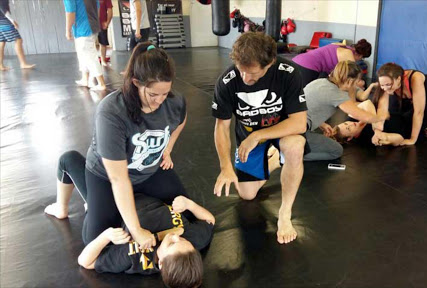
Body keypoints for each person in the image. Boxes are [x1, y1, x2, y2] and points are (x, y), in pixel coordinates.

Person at [61, 43, 186, 250]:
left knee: (186, 212)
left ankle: (125, 202)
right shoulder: (111, 112)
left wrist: (168, 149)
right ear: (136, 82)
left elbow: (181, 120)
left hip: (147, 170)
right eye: (153, 95)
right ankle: (71, 163)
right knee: (95, 241)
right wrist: (136, 230)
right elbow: (118, 179)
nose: (160, 101)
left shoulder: (174, 101)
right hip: (107, 176)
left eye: (165, 94)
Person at [45, 150, 214, 288]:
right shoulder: (191, 244)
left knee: (68, 159)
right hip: (146, 190)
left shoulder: (135, 256)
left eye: (172, 243)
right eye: (183, 241)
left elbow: (85, 262)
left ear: (161, 263)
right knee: (148, 155)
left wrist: (107, 236)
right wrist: (190, 205)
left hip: (114, 202)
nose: (176, 236)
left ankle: (62, 208)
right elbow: (209, 221)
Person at [212, 32, 307, 244]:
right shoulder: (227, 82)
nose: (246, 78)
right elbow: (222, 126)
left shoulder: (288, 73)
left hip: (281, 132)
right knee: (247, 195)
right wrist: (225, 166)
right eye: (241, 71)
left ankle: (285, 212)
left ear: (270, 63)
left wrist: (258, 135)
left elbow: (299, 123)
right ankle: (274, 161)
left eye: (253, 73)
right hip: (248, 136)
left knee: (295, 147)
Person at [303, 61, 385, 161]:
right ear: (350, 81)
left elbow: (307, 107)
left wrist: (322, 124)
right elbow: (364, 116)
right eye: (356, 82)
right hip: (298, 130)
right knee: (336, 151)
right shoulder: (337, 94)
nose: (356, 85)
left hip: (289, 123)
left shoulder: (319, 82)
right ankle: (296, 156)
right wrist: (382, 116)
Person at [63, 0, 107, 90]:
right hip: (91, 26)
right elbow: (98, 8)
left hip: (83, 28)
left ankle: (101, 83)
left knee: (90, 55)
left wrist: (67, 30)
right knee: (82, 54)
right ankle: (85, 79)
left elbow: (70, 12)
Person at [292, 39, 372, 87]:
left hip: (296, 60)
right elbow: (350, 80)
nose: (359, 60)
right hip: (308, 66)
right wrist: (362, 83)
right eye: (361, 58)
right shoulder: (348, 55)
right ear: (360, 55)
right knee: (303, 97)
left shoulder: (340, 45)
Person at [0, 0, 35, 70]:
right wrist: (12, 21)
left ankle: (0, 65)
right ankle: (23, 64)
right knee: (18, 40)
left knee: (1, 42)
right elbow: (3, 9)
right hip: (4, 21)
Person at [98, 0, 113, 66]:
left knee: (103, 43)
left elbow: (110, 10)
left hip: (102, 24)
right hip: (91, 24)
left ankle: (103, 60)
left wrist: (107, 22)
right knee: (90, 43)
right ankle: (93, 61)